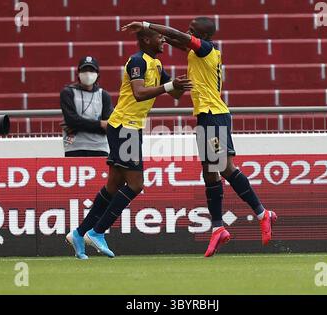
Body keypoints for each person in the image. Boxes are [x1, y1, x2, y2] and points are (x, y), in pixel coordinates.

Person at [122, 17, 277, 257]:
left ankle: (261, 212)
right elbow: (175, 38)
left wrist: (146, 25)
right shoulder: (199, 51)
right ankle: (218, 228)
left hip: (214, 114)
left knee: (224, 167)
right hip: (205, 116)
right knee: (209, 173)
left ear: (202, 37)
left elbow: (177, 36)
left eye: (192, 31)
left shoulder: (207, 49)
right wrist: (158, 36)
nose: (187, 33)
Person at [66, 28, 193, 259]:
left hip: (129, 128)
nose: (162, 39)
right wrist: (168, 86)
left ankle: (79, 232)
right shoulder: (137, 61)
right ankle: (97, 232)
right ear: (146, 39)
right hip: (125, 126)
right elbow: (139, 93)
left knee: (113, 186)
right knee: (136, 184)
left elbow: (174, 95)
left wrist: (181, 84)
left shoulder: (156, 64)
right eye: (158, 36)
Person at [60, 56, 113, 157]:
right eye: (84, 70)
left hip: (99, 147)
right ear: (78, 74)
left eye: (92, 70)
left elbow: (109, 125)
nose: (88, 74)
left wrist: (78, 125)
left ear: (97, 74)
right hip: (75, 147)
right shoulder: (68, 93)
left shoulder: (103, 95)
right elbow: (72, 121)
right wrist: (100, 124)